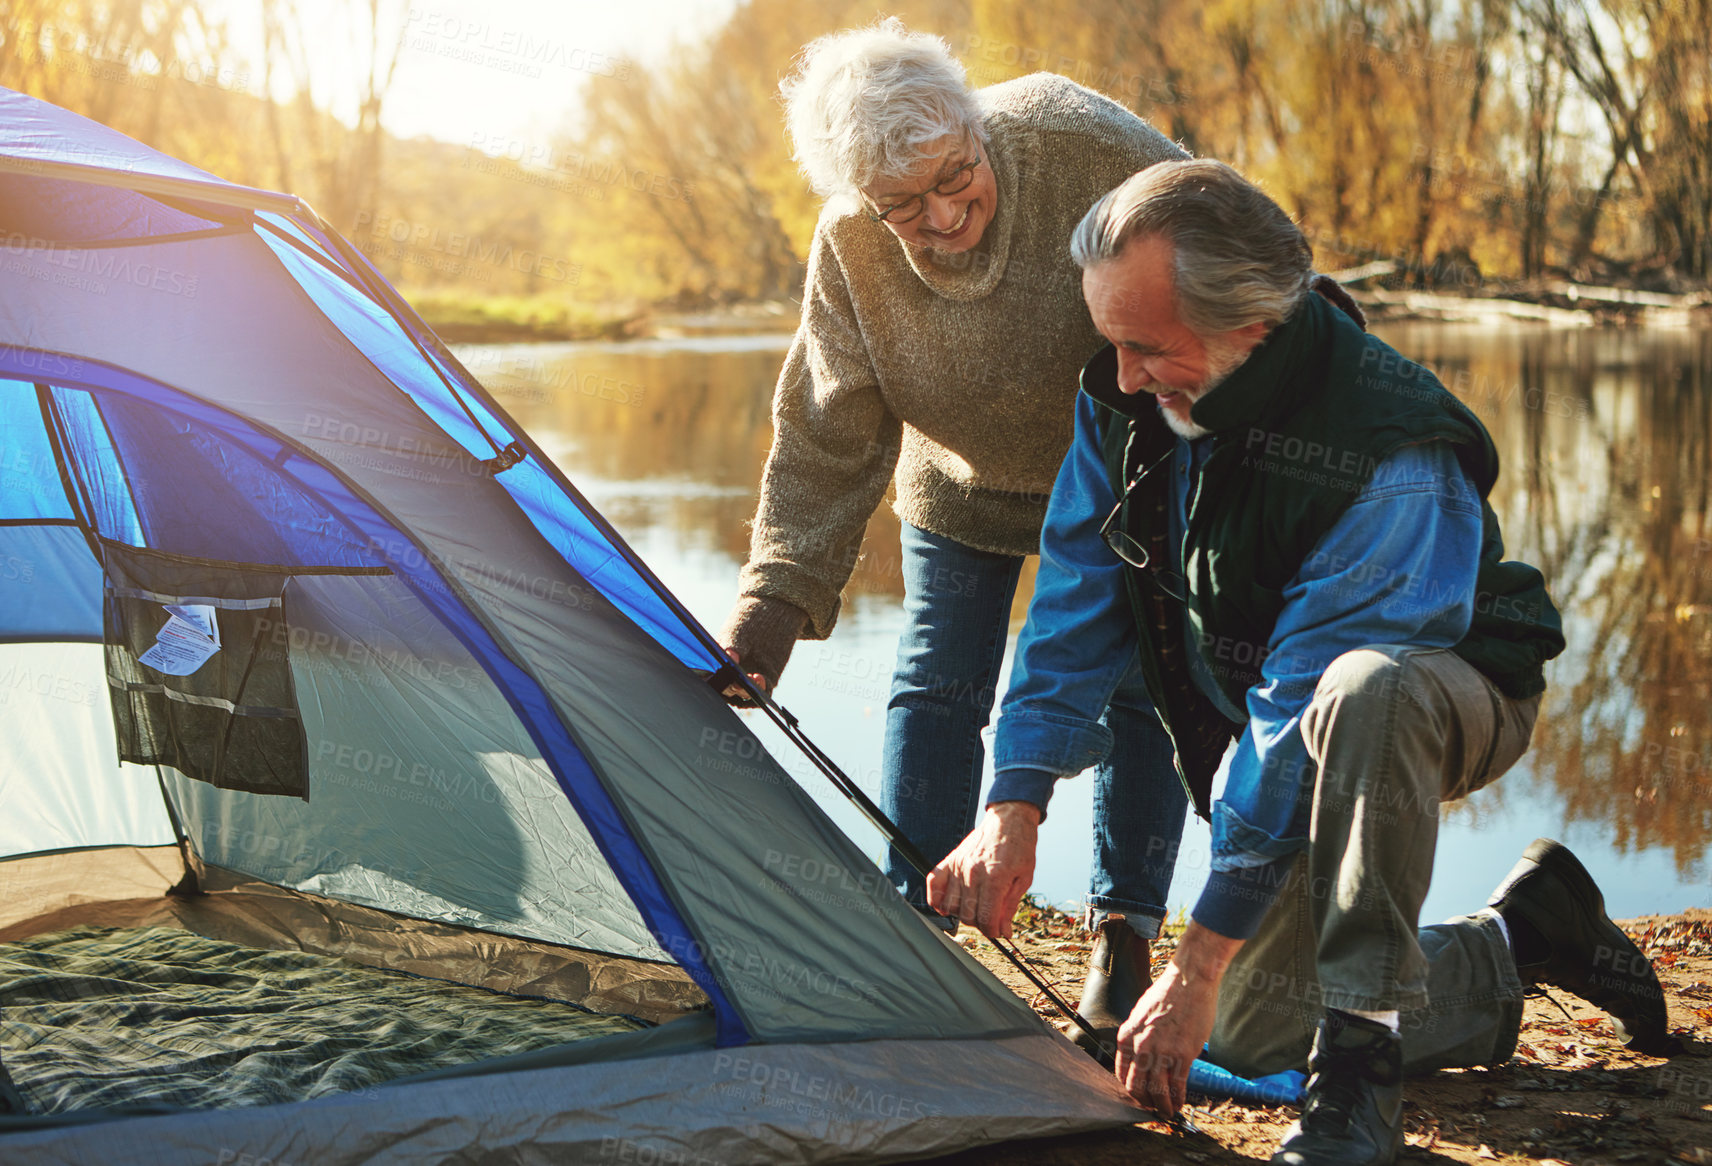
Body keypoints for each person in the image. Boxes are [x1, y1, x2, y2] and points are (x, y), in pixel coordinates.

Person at [927, 159, 1675, 1165]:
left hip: (1446, 691)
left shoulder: (1387, 444)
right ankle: (1522, 936)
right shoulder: (1126, 399)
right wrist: (1010, 807)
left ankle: (1357, 1068)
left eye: (1145, 347)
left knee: (1366, 688)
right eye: (1109, 342)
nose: (1121, 376)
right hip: (1294, 708)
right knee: (1248, 1023)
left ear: (1254, 325)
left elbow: (1293, 712)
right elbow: (1072, 600)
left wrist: (1192, 959)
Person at [716, 19, 1192, 1045]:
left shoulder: (1087, 149)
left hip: (1116, 472)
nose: (940, 214)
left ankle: (1125, 934)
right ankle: (916, 923)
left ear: (976, 127)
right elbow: (824, 430)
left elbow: (1228, 252)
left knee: (1137, 683)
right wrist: (771, 602)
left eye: (954, 176)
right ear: (859, 199)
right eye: (902, 205)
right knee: (935, 676)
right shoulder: (848, 244)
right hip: (959, 476)